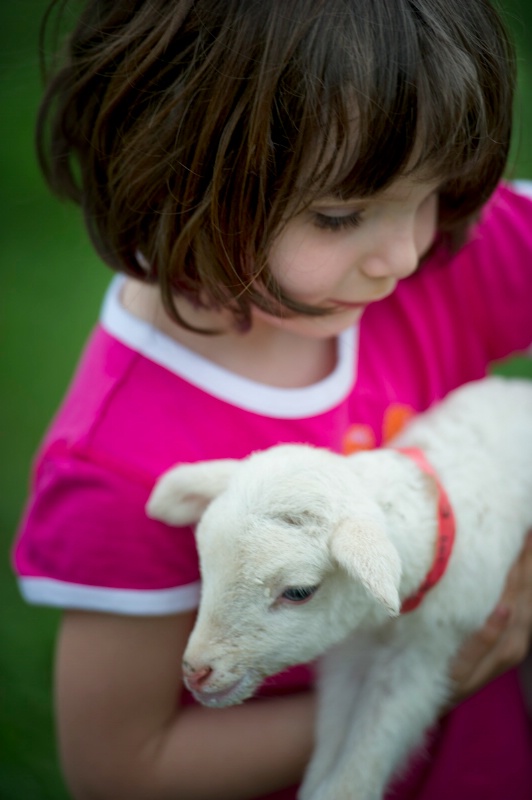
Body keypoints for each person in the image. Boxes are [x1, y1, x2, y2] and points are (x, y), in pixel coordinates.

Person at [12, 1, 532, 798]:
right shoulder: (118, 466)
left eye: (432, 191)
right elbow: (123, 769)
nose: (400, 251)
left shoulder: (436, 254)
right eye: (340, 215)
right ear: (176, 172)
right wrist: (421, 678)